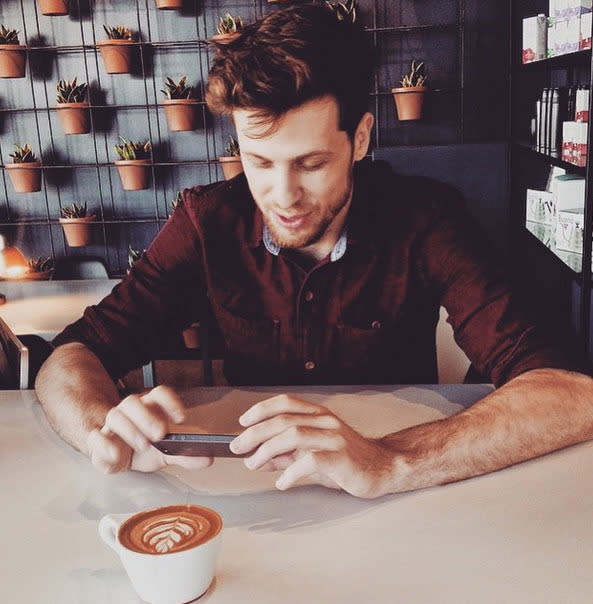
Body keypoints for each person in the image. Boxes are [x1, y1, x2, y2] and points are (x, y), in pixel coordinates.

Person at [36, 3, 593, 498]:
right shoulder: (207, 221)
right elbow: (73, 354)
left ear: (361, 138)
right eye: (260, 162)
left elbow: (568, 394)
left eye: (311, 163)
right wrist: (100, 430)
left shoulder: (426, 218)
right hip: (252, 490)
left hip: (400, 504)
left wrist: (392, 459)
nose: (283, 197)